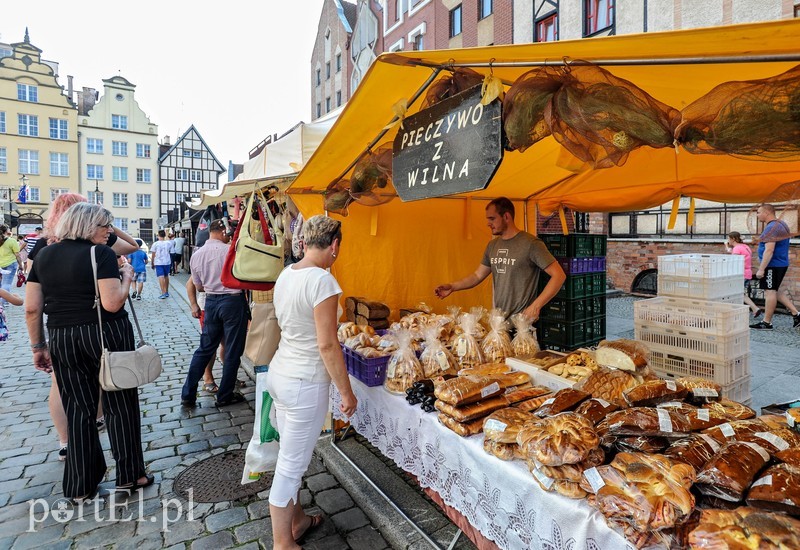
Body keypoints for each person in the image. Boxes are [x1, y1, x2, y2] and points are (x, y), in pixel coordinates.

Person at [25, 202, 151, 502]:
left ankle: (81, 485)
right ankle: (131, 475)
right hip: (105, 334)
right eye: (105, 226)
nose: (109, 233)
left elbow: (32, 308)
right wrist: (127, 279)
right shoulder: (101, 254)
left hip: (62, 336)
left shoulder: (43, 255)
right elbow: (112, 302)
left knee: (78, 409)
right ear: (87, 226)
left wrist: (38, 346)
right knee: (120, 404)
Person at [267, 215, 357, 549]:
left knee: (290, 454)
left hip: (282, 372)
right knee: (290, 466)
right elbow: (327, 344)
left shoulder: (287, 274)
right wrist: (346, 392)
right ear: (334, 245)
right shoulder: (323, 281)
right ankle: (283, 543)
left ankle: (299, 521)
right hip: (304, 380)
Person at [434, 197, 567, 320]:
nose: (488, 223)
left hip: (523, 324)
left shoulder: (531, 243)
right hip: (499, 322)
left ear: (506, 216)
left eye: (492, 218)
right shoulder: (492, 245)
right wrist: (452, 286)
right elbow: (477, 276)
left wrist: (535, 306)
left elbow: (559, 275)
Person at [180, 219, 248, 407]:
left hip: (211, 301)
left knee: (205, 349)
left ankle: (188, 393)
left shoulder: (197, 254)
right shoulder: (230, 251)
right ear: (222, 231)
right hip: (232, 301)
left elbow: (199, 286)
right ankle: (225, 395)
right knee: (233, 349)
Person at [750, 204, 800, 330]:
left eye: (759, 212)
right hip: (779, 264)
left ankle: (767, 323)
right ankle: (796, 314)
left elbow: (769, 250)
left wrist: (761, 269)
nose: (757, 215)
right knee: (776, 290)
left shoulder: (772, 227)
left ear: (767, 213)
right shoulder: (779, 224)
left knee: (770, 291)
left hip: (773, 265)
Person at [185, 276, 221, 393]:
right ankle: (208, 378)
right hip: (207, 306)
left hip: (229, 305)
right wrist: (194, 304)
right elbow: (190, 283)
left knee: (228, 344)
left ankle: (230, 375)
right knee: (210, 344)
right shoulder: (204, 257)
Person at [724, 231, 762, 318]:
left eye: (729, 239)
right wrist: (727, 246)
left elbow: (734, 261)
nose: (728, 240)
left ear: (733, 239)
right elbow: (734, 253)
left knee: (737, 293)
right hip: (747, 273)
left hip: (741, 274)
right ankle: (754, 309)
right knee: (739, 293)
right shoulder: (745, 247)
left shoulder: (737, 248)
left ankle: (747, 310)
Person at [0, 225, 25, 306]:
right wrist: (21, 265)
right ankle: (3, 302)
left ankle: (5, 301)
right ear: (6, 231)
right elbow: (17, 255)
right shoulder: (12, 241)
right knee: (6, 283)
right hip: (10, 264)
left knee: (1, 284)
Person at [149, 230, 172, 299]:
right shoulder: (168, 243)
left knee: (160, 276)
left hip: (158, 262)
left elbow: (153, 254)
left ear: (158, 236)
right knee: (166, 276)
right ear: (165, 235)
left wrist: (152, 263)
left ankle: (163, 292)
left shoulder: (155, 244)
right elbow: (170, 251)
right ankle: (167, 291)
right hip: (167, 261)